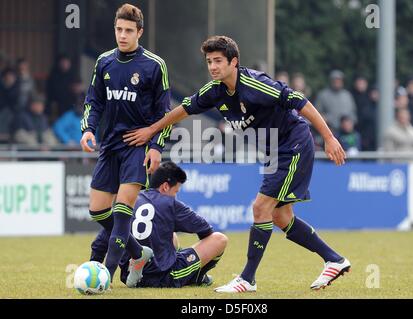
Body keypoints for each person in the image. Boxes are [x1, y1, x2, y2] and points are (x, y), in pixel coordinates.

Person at [123, 36, 351, 292]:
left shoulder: (255, 84)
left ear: (234, 62)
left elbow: (300, 101)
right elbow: (184, 109)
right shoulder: (215, 91)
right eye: (209, 61)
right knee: (279, 215)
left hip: (292, 144)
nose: (212, 66)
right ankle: (334, 259)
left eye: (218, 61)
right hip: (275, 151)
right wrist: (152, 130)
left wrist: (329, 138)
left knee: (260, 207)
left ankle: (247, 278)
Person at [79, 3, 172, 283]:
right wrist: (88, 129)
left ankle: (105, 274)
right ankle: (137, 252)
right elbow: (93, 100)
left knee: (122, 212)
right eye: (119, 29)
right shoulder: (104, 62)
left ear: (139, 32)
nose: (122, 35)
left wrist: (156, 146)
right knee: (97, 210)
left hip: (138, 146)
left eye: (128, 30)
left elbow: (164, 113)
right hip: (109, 145)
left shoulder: (155, 65)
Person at [90, 162, 228, 288]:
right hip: (163, 277)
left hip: (128, 276)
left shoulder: (129, 201)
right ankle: (197, 277)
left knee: (172, 236)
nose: (175, 196)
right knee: (219, 239)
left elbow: (100, 242)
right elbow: (205, 230)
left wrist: (94, 269)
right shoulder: (171, 204)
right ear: (165, 186)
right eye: (176, 192)